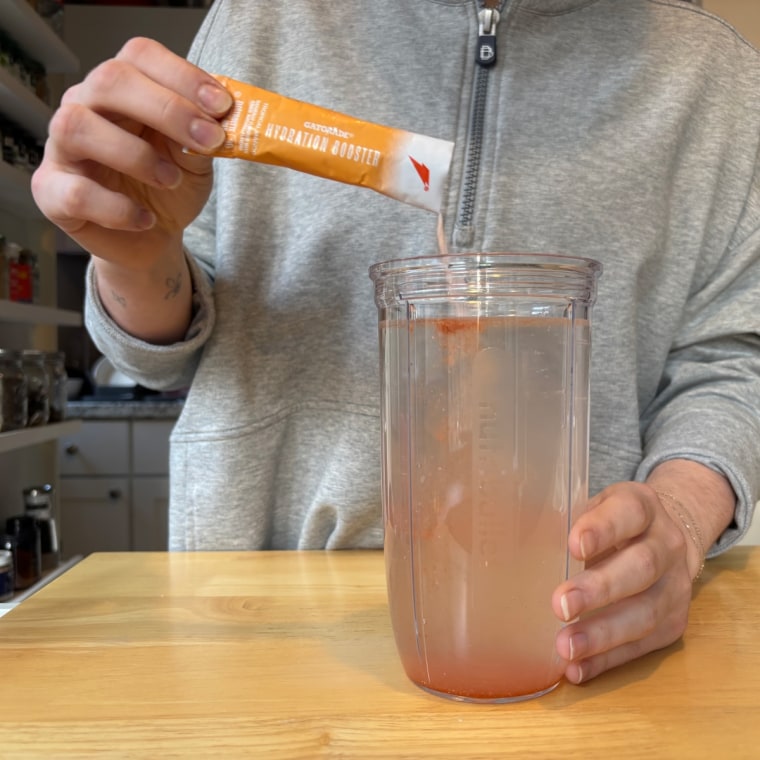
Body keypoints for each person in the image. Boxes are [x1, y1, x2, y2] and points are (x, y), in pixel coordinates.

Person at [32, 0, 760, 687]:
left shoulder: (713, 76)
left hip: (569, 623)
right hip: (256, 617)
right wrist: (135, 252)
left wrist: (684, 519)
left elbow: (734, 357)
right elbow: (159, 348)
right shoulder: (264, 20)